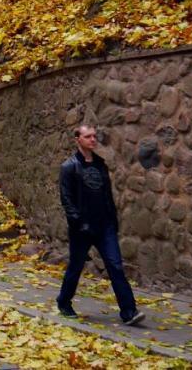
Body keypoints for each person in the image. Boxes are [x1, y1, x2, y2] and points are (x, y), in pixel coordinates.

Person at [57, 124, 144, 326]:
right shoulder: (69, 167)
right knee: (76, 266)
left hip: (104, 226)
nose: (93, 140)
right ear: (78, 139)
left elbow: (107, 196)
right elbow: (67, 199)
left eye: (94, 136)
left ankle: (129, 311)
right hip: (82, 229)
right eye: (88, 136)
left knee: (115, 266)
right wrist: (78, 222)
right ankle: (63, 302)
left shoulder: (100, 165)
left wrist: (113, 221)